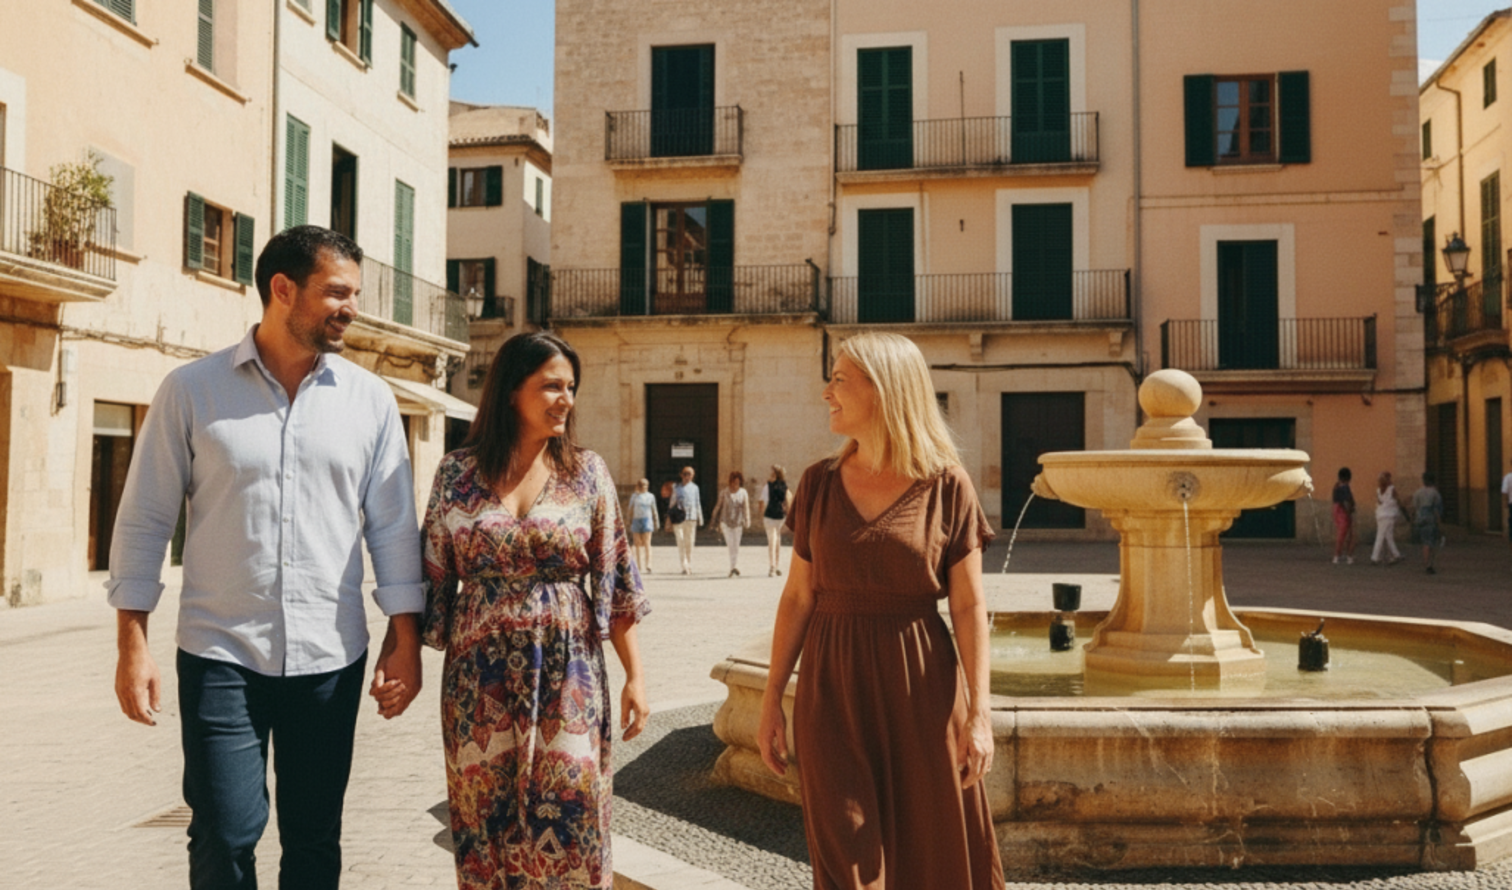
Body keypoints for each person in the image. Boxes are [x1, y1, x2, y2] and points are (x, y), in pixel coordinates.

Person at [107, 225, 424, 889]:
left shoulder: (370, 402)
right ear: (283, 290)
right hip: (221, 653)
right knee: (223, 832)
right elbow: (144, 519)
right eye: (337, 292)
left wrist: (406, 639)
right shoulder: (191, 390)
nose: (352, 307)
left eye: (355, 294)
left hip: (330, 660)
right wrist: (131, 644)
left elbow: (393, 527)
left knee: (313, 839)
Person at [755, 332, 1004, 890]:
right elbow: (798, 596)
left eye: (840, 379)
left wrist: (980, 714)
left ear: (885, 390)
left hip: (923, 688)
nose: (827, 392)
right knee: (847, 851)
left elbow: (967, 605)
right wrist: (772, 697)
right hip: (832, 687)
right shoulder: (818, 483)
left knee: (932, 847)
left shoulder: (947, 485)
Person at [421, 331, 651, 889]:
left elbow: (614, 581)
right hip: (479, 687)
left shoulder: (587, 473)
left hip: (570, 677)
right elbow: (429, 578)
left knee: (571, 817)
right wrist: (401, 652)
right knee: (485, 825)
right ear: (509, 391)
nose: (565, 399)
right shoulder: (456, 474)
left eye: (571, 387)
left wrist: (635, 676)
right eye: (551, 385)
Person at [708, 470, 753, 577]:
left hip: (738, 522)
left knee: (736, 545)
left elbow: (746, 507)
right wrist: (713, 518)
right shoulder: (724, 492)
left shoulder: (743, 493)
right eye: (733, 482)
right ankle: (733, 566)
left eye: (737, 483)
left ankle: (733, 566)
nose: (734, 485)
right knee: (730, 544)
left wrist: (747, 520)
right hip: (726, 522)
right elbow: (719, 505)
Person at [758, 465, 792, 577]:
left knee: (772, 541)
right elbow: (789, 501)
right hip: (780, 517)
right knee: (777, 540)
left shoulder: (768, 486)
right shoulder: (785, 486)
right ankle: (776, 565)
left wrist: (760, 514)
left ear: (775, 474)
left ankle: (772, 566)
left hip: (769, 516)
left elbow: (761, 501)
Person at [669, 466, 704, 574]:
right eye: (685, 473)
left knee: (690, 542)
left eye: (690, 474)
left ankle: (689, 563)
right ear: (681, 475)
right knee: (680, 541)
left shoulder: (695, 488)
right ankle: (684, 565)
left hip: (691, 517)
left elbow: (697, 502)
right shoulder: (676, 487)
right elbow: (672, 502)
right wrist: (669, 518)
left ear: (693, 476)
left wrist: (700, 517)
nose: (687, 476)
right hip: (678, 518)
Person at [1411, 472, 1445, 575]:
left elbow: (1414, 507)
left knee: (1425, 542)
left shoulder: (1418, 492)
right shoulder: (1435, 493)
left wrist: (1413, 519)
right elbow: (1437, 509)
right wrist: (1439, 522)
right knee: (1431, 542)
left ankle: (1426, 563)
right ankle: (1430, 564)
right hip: (1430, 517)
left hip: (1420, 517)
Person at [1372, 470, 1404, 566]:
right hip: (1389, 515)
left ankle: (1396, 554)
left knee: (1387, 536)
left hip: (1380, 514)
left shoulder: (1378, 490)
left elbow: (1379, 502)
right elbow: (1398, 500)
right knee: (1381, 536)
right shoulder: (1392, 489)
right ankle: (1375, 557)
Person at [628, 478, 659, 573]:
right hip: (636, 520)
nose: (643, 487)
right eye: (641, 485)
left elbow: (654, 509)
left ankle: (648, 564)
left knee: (647, 543)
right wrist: (629, 521)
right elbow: (630, 509)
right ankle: (638, 564)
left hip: (647, 520)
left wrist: (656, 521)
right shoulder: (634, 496)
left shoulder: (650, 496)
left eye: (645, 485)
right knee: (637, 544)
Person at [1331, 467, 1356, 564]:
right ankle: (1346, 555)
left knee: (1341, 534)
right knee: (1348, 534)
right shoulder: (1345, 488)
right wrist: (1349, 511)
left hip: (1336, 510)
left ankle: (1338, 555)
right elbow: (1346, 501)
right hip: (1343, 511)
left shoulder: (1336, 487)